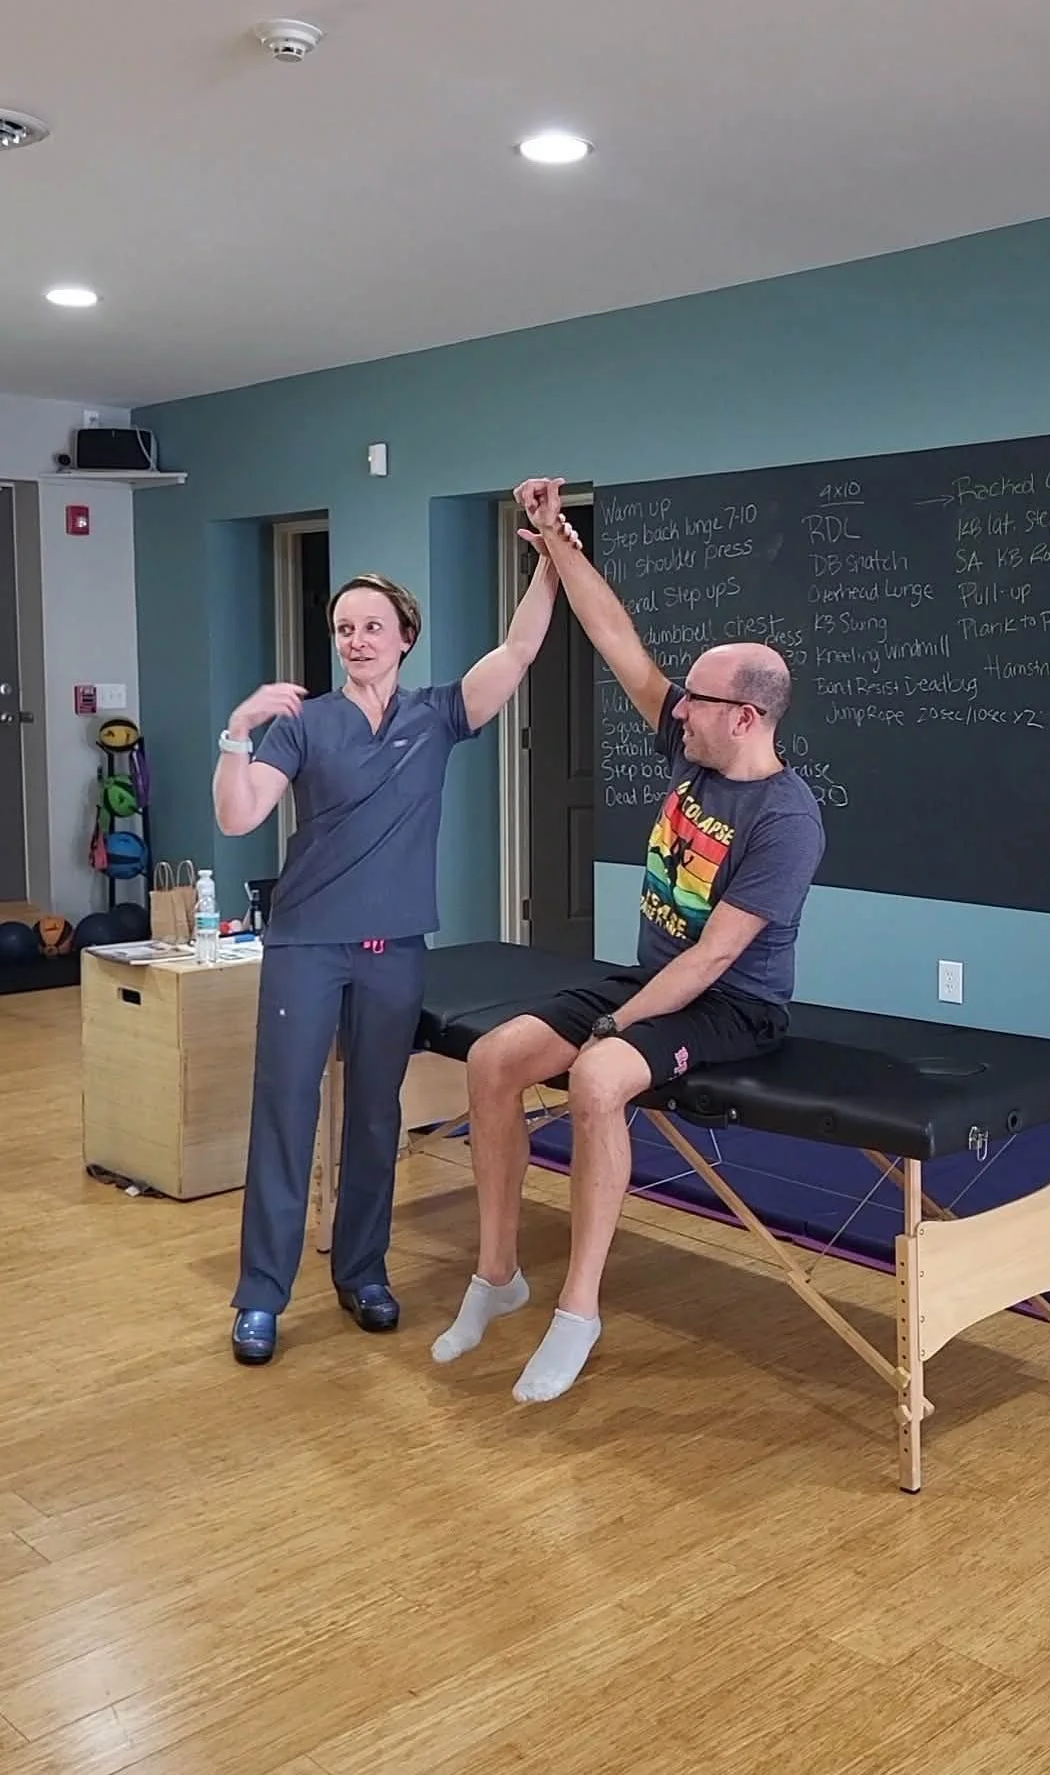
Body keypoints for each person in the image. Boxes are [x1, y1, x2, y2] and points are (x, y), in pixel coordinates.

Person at [432, 476, 826, 1404]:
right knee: (493, 1059)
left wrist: (615, 1031)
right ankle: (498, 1274)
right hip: (653, 982)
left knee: (598, 1079)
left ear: (745, 715)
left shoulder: (784, 817)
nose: (673, 706)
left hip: (735, 1008)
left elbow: (715, 957)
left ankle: (577, 1308)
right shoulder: (690, 744)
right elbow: (617, 641)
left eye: (694, 698)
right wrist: (554, 540)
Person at [215, 544, 568, 1365]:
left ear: (405, 635)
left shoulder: (439, 714)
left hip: (392, 950)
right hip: (306, 944)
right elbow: (238, 817)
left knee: (377, 1115)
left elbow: (517, 651)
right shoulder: (303, 725)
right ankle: (260, 1296)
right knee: (285, 1114)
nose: (357, 640)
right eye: (344, 628)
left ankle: (362, 1272)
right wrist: (237, 732)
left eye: (372, 626)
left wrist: (550, 560)